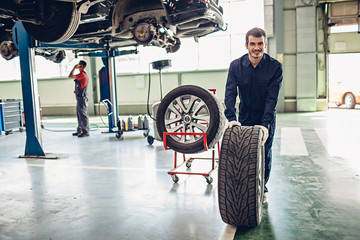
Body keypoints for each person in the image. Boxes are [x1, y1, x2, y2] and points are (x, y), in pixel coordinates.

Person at [224, 27, 283, 204]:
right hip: (245, 117)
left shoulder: (275, 67)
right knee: (243, 154)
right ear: (246, 45)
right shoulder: (236, 66)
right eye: (252, 44)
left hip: (266, 117)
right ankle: (245, 187)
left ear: (265, 44)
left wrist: (265, 124)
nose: (256, 47)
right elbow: (230, 94)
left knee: (264, 152)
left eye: (260, 44)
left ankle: (263, 188)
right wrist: (231, 119)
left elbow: (272, 98)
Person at [68, 60, 90, 137]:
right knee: (79, 114)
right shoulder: (81, 74)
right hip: (79, 97)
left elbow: (70, 76)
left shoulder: (82, 75)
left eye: (79, 65)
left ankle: (85, 131)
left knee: (83, 114)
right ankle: (80, 130)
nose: (78, 65)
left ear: (82, 66)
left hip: (81, 97)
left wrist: (74, 68)